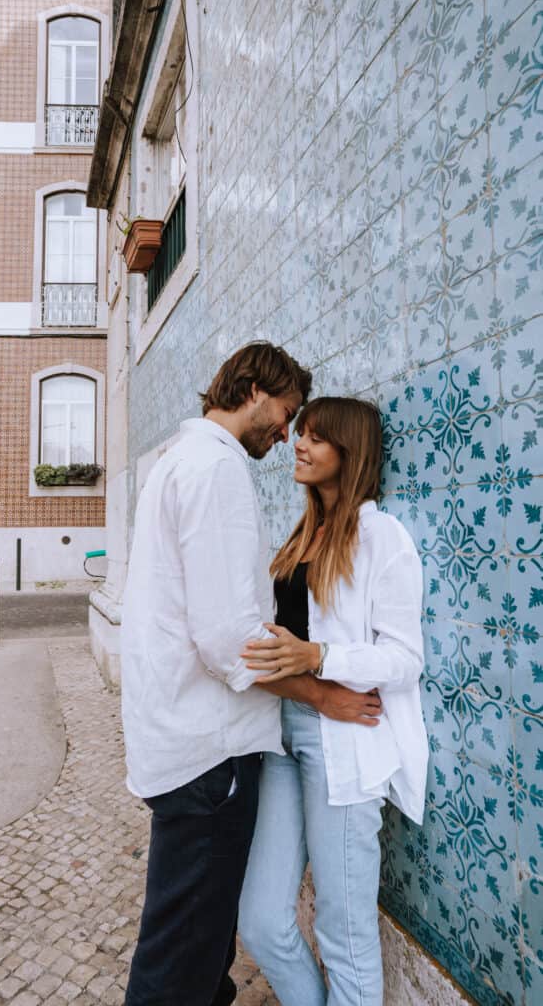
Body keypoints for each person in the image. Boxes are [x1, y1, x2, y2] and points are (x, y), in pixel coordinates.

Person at [121, 346, 385, 1006]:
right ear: (255, 389)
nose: (287, 432)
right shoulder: (216, 469)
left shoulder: (181, 460)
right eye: (289, 413)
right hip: (210, 752)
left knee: (201, 943)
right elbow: (228, 641)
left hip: (187, 741)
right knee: (182, 951)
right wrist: (322, 692)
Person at [237, 395, 429, 1006]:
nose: (299, 443)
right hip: (285, 735)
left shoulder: (382, 537)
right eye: (303, 433)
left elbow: (404, 658)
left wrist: (321, 659)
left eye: (317, 438)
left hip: (342, 747)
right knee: (263, 919)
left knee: (343, 935)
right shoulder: (302, 534)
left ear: (352, 453)